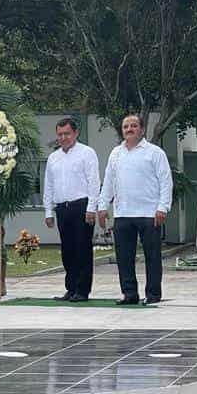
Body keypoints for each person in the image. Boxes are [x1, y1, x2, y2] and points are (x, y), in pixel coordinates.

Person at [97, 114, 173, 305]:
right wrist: (102, 206)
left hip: (149, 214)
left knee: (152, 256)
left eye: (133, 126)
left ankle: (153, 294)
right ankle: (129, 294)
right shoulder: (116, 153)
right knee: (124, 257)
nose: (129, 129)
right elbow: (108, 182)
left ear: (142, 129)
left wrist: (162, 207)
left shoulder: (155, 153)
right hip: (123, 214)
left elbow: (166, 182)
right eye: (125, 127)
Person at [43, 117, 101, 302]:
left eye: (67, 133)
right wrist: (48, 211)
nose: (63, 137)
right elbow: (48, 186)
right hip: (62, 208)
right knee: (67, 250)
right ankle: (70, 288)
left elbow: (93, 182)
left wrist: (92, 208)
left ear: (75, 133)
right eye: (60, 134)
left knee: (82, 249)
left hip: (81, 206)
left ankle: (82, 290)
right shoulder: (54, 157)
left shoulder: (87, 153)